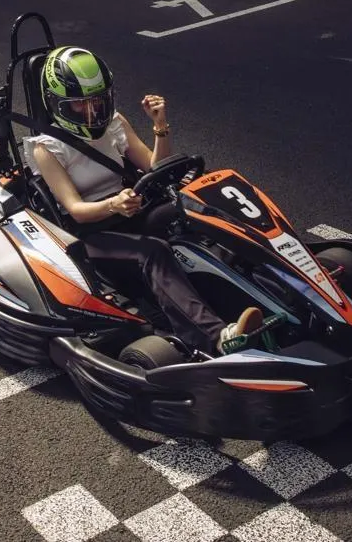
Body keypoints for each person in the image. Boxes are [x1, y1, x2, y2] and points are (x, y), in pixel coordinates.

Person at [26, 46, 263, 355]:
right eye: (80, 105)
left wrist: (160, 126)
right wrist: (113, 204)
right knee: (153, 252)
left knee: (196, 210)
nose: (92, 112)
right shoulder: (47, 148)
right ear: (58, 104)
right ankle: (217, 338)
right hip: (92, 234)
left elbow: (154, 167)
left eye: (97, 101)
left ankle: (274, 285)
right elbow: (76, 210)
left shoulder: (114, 122)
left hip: (131, 208)